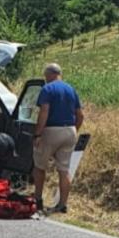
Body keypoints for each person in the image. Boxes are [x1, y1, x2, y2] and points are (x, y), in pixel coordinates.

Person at [33, 63, 84, 213]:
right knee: (64, 170)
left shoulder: (47, 89)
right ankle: (62, 205)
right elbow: (80, 115)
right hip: (70, 130)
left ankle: (38, 200)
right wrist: (74, 130)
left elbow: (44, 112)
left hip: (51, 130)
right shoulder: (71, 89)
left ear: (48, 75)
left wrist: (38, 134)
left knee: (39, 166)